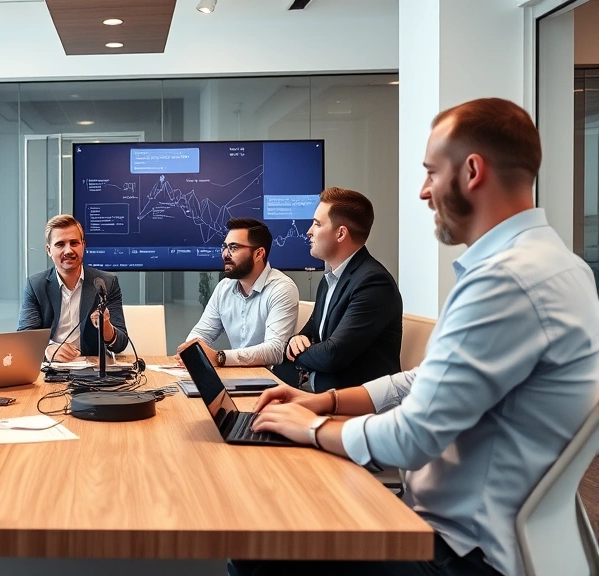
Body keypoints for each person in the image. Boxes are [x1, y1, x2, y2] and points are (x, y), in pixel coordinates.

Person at [236, 98, 599, 576]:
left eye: (431, 172)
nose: (424, 192)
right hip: (461, 533)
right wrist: (324, 402)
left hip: (457, 552)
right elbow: (422, 380)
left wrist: (311, 429)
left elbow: (414, 436)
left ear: (472, 171)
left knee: (259, 543)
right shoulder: (557, 267)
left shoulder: (505, 281)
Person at [281, 187, 402, 392]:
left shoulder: (374, 283)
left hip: (357, 404)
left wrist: (296, 354)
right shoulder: (329, 280)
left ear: (341, 233)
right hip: (321, 395)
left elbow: (332, 355)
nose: (309, 231)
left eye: (317, 224)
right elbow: (309, 333)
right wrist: (295, 340)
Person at [176, 218, 298, 368]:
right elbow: (202, 333)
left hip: (270, 378)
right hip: (235, 374)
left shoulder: (281, 288)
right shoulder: (224, 288)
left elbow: (275, 350)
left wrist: (220, 358)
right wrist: (191, 351)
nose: (225, 254)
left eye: (233, 248)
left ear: (258, 254)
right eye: (225, 247)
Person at [18, 214, 129, 361]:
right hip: (51, 367)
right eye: (60, 244)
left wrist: (106, 326)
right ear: (49, 250)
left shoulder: (106, 283)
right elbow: (25, 338)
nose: (69, 250)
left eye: (74, 243)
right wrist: (48, 349)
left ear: (83, 245)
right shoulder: (36, 285)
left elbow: (120, 344)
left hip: (93, 367)